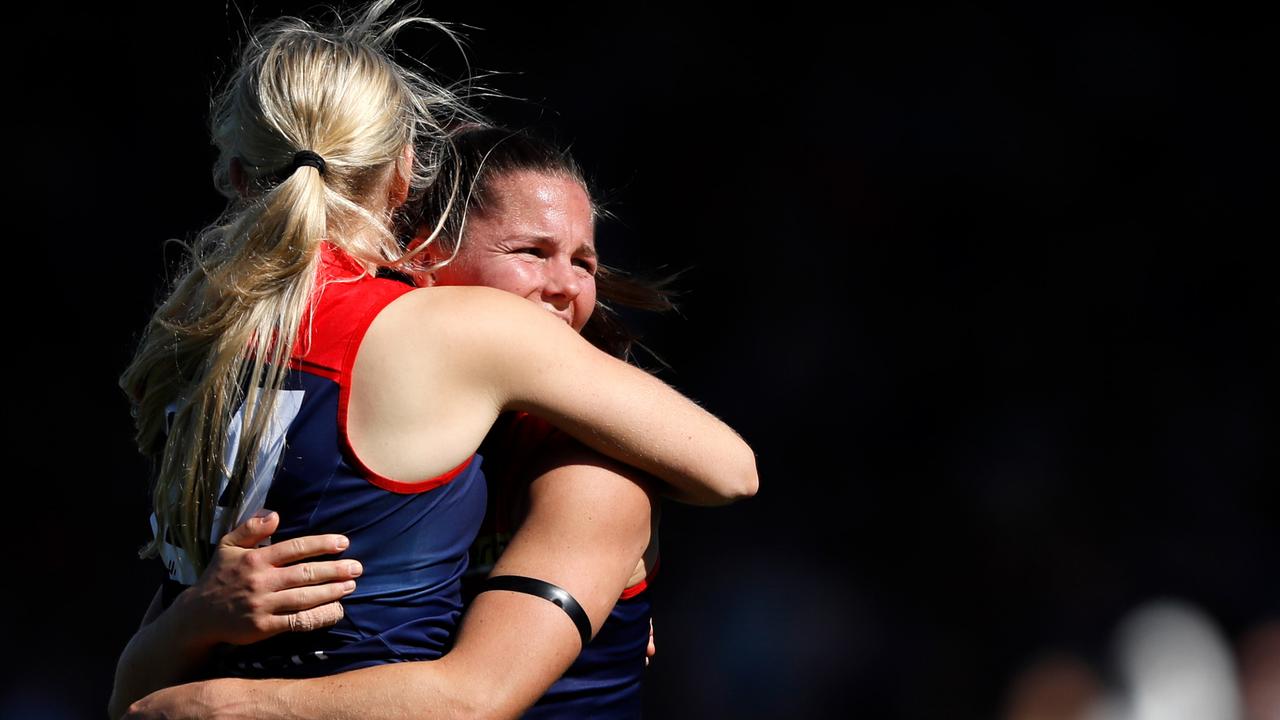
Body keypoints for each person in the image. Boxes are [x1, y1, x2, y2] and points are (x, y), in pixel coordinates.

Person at [112, 4, 756, 719]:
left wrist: (220, 698)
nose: (570, 286)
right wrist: (196, 623)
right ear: (414, 222)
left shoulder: (588, 471)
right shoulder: (398, 357)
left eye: (586, 262)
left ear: (237, 175)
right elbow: (136, 693)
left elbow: (472, 697)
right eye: (531, 253)